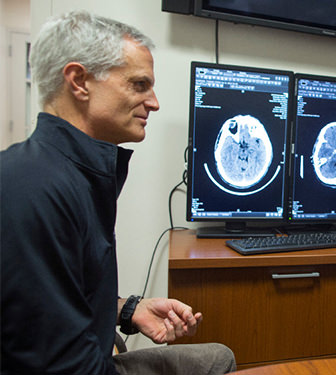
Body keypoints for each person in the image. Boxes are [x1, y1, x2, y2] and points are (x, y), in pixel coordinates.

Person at [0, 11, 235, 374]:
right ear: (79, 81)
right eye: (139, 85)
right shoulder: (34, 191)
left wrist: (127, 308)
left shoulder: (70, 173)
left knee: (218, 356)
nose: (154, 102)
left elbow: (58, 297)